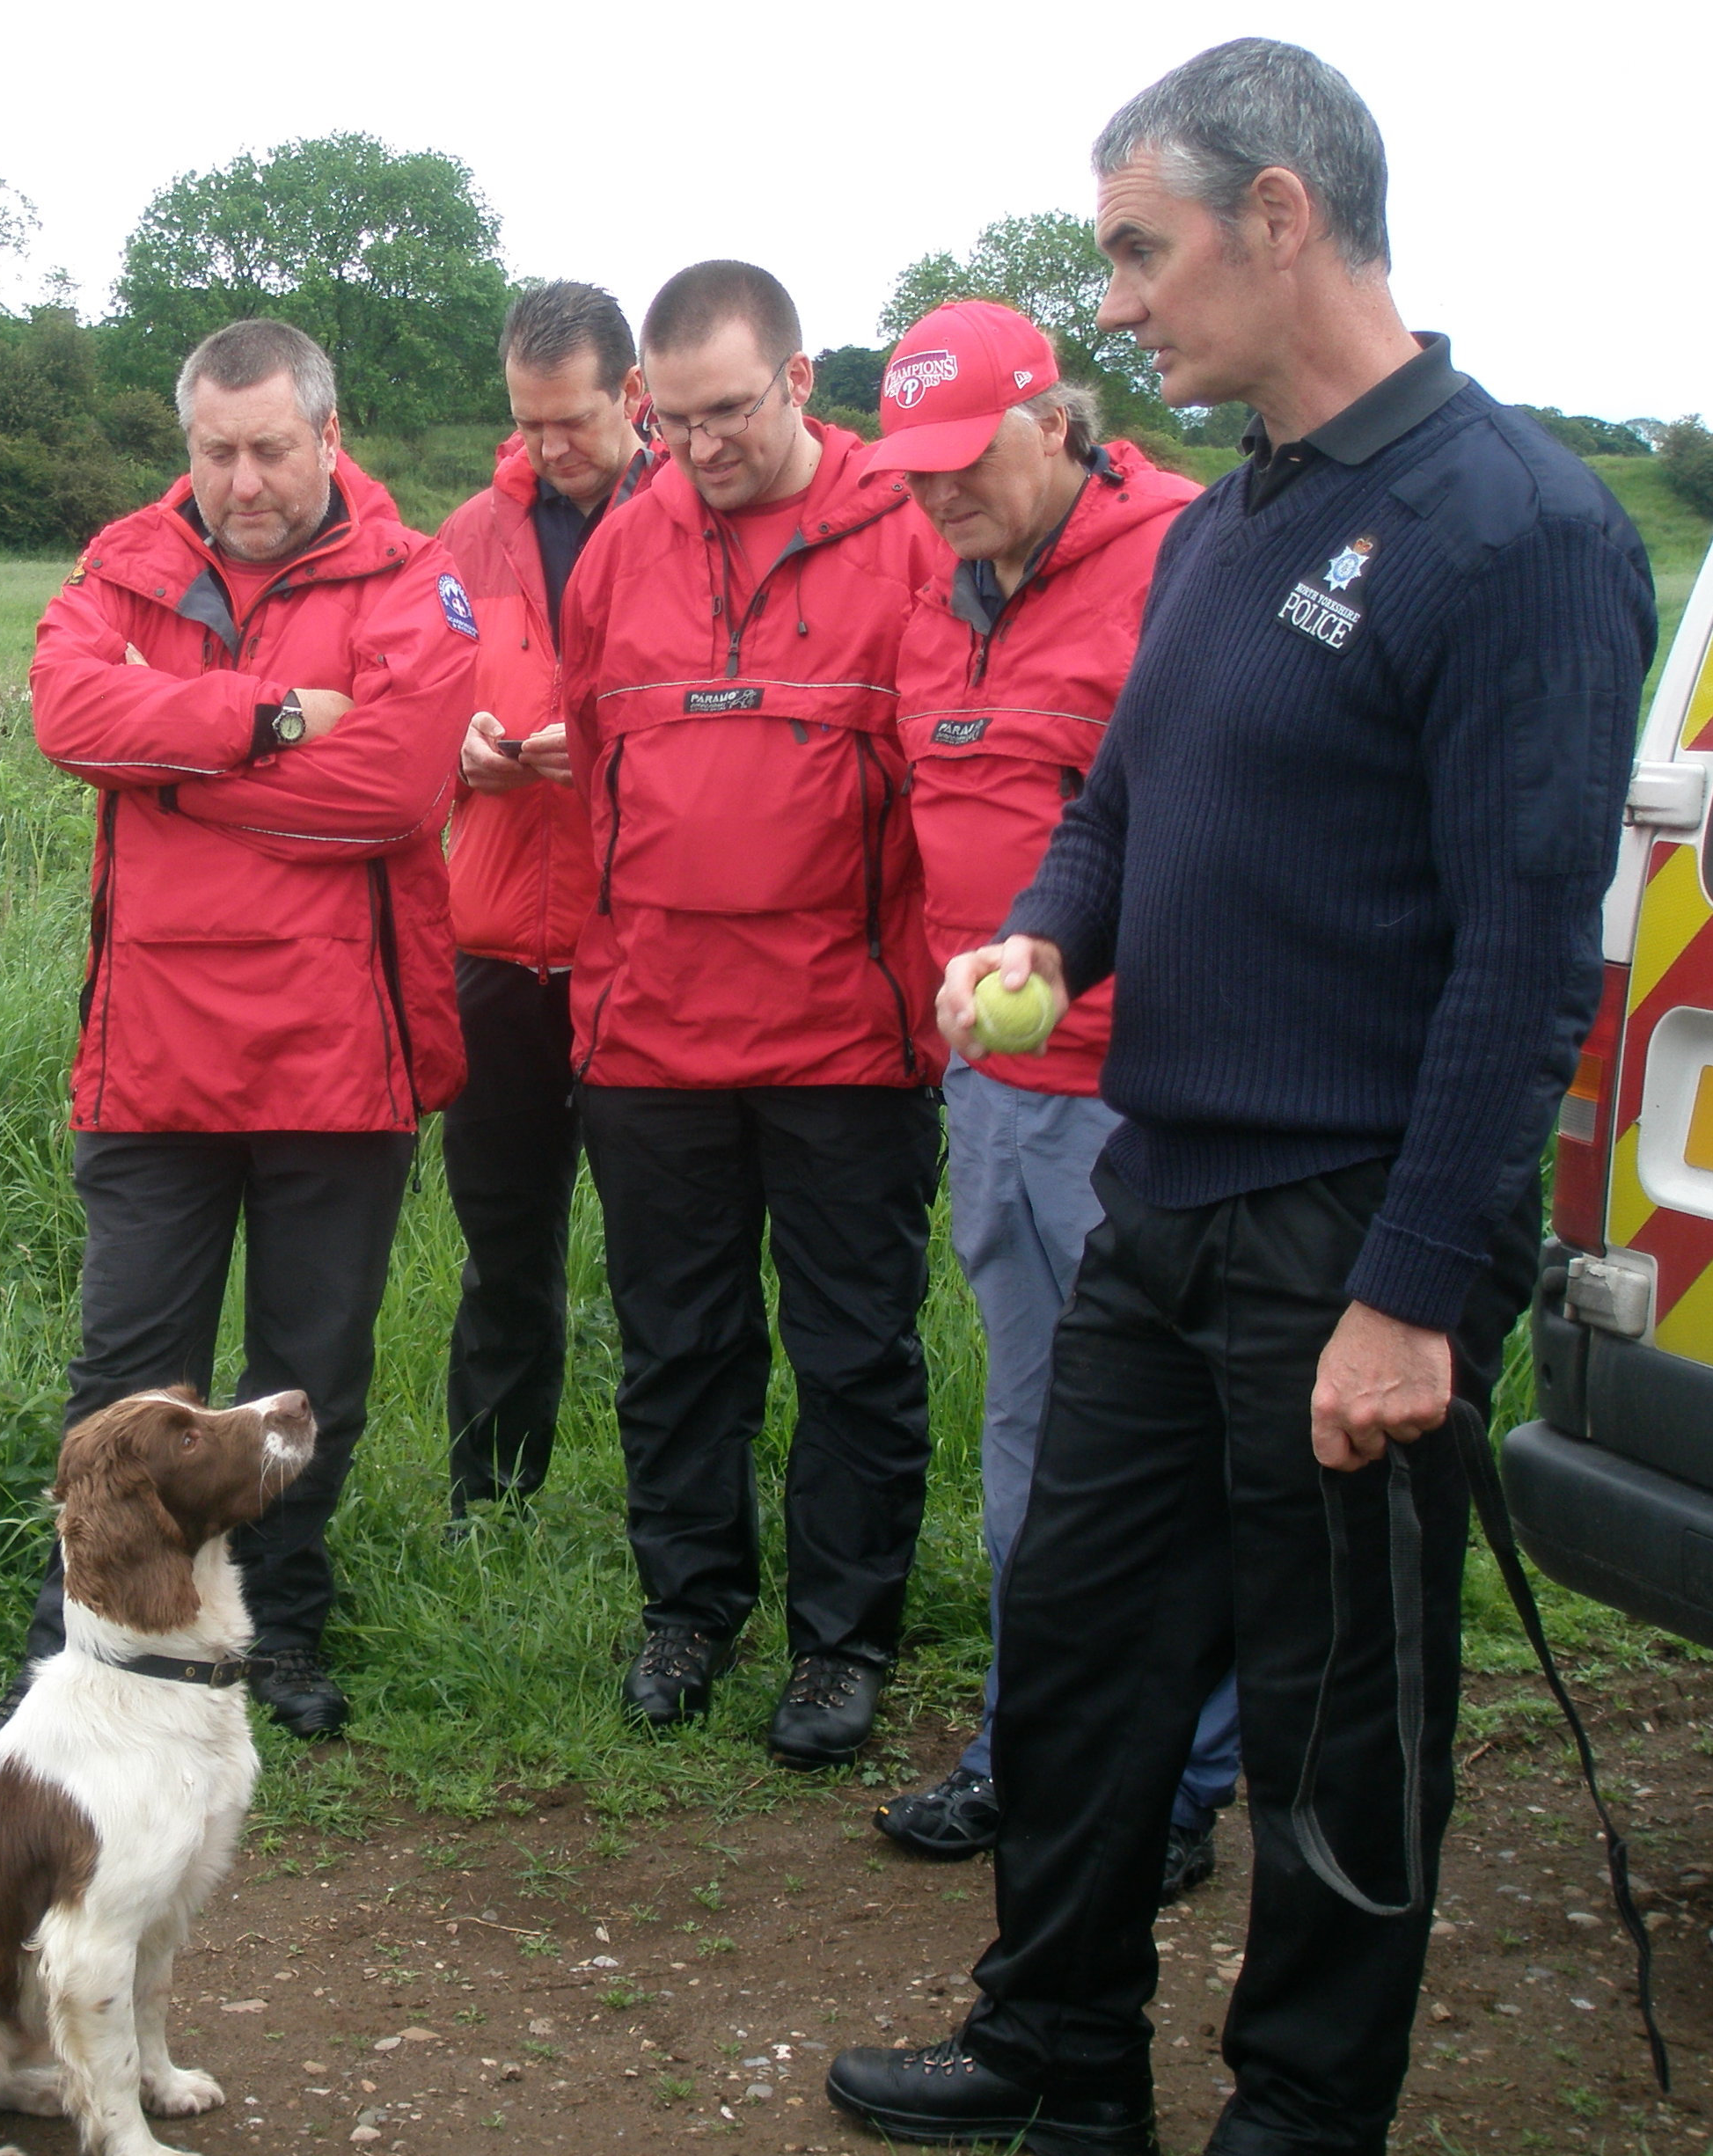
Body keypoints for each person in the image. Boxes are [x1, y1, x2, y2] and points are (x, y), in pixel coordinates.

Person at [826, 39, 1655, 2156]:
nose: (1111, 301)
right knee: (1083, 1644)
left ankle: (1306, 2130)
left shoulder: (1515, 529)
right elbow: (1118, 802)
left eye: (1137, 246)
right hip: (1165, 1181)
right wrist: (1047, 931)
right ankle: (1056, 2039)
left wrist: (1409, 1288)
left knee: (1330, 1709)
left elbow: (1524, 961)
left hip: (1349, 1221)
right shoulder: (1226, 522)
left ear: (1278, 216)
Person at [0, 318, 479, 1765]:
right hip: (151, 1055)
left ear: (329, 434)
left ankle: (277, 1627)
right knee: (123, 1380)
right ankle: (77, 1655)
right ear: (186, 441)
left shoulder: (412, 575)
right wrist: (270, 717)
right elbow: (70, 712)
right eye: (215, 450)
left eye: (271, 449)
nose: (243, 480)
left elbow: (394, 788)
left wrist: (167, 773)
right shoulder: (123, 565)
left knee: (310, 1372)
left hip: (340, 1051)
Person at [858, 303, 1241, 1895]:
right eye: (915, 468)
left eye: (967, 458)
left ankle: (1176, 1778)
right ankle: (1033, 1742)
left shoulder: (1183, 560)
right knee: (1033, 1439)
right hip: (995, 1089)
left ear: (1057, 425)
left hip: (1146, 1100)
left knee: (1168, 1451)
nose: (938, 491)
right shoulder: (933, 595)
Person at [560, 259, 941, 1770]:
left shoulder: (904, 530)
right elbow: (592, 766)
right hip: (651, 1032)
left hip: (846, 1036)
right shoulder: (622, 544)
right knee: (677, 1344)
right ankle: (688, 1610)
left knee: (853, 1352)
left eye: (728, 411)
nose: (701, 446)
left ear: (798, 379)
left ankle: (841, 1639)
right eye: (673, 420)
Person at [440, 282, 656, 1524]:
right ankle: (490, 1499)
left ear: (632, 392)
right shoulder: (470, 534)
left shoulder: (689, 518)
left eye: (571, 420)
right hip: (494, 949)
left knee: (660, 1255)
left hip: (637, 945)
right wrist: (457, 747)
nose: (549, 447)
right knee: (502, 1243)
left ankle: (662, 1511)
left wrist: (613, 751)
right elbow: (412, 699)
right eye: (528, 424)